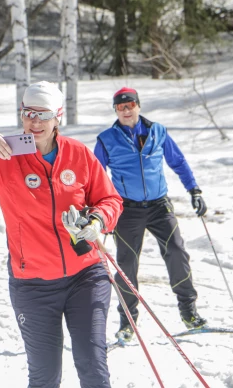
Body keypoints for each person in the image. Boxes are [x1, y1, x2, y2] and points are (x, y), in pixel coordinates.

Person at [0, 81, 123, 388]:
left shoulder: (78, 154)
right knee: (44, 377)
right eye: (29, 113)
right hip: (33, 285)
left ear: (58, 117)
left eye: (43, 114)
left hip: (86, 275)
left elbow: (111, 200)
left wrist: (96, 221)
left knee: (93, 368)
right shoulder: (6, 156)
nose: (35, 121)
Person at [94, 86, 208, 342]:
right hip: (126, 210)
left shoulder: (158, 132)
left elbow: (177, 161)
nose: (126, 110)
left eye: (130, 105)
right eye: (120, 107)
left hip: (159, 206)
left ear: (138, 106)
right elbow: (96, 176)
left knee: (177, 251)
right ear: (115, 110)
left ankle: (189, 312)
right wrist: (101, 212)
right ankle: (127, 323)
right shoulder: (106, 139)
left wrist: (194, 190)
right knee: (126, 266)